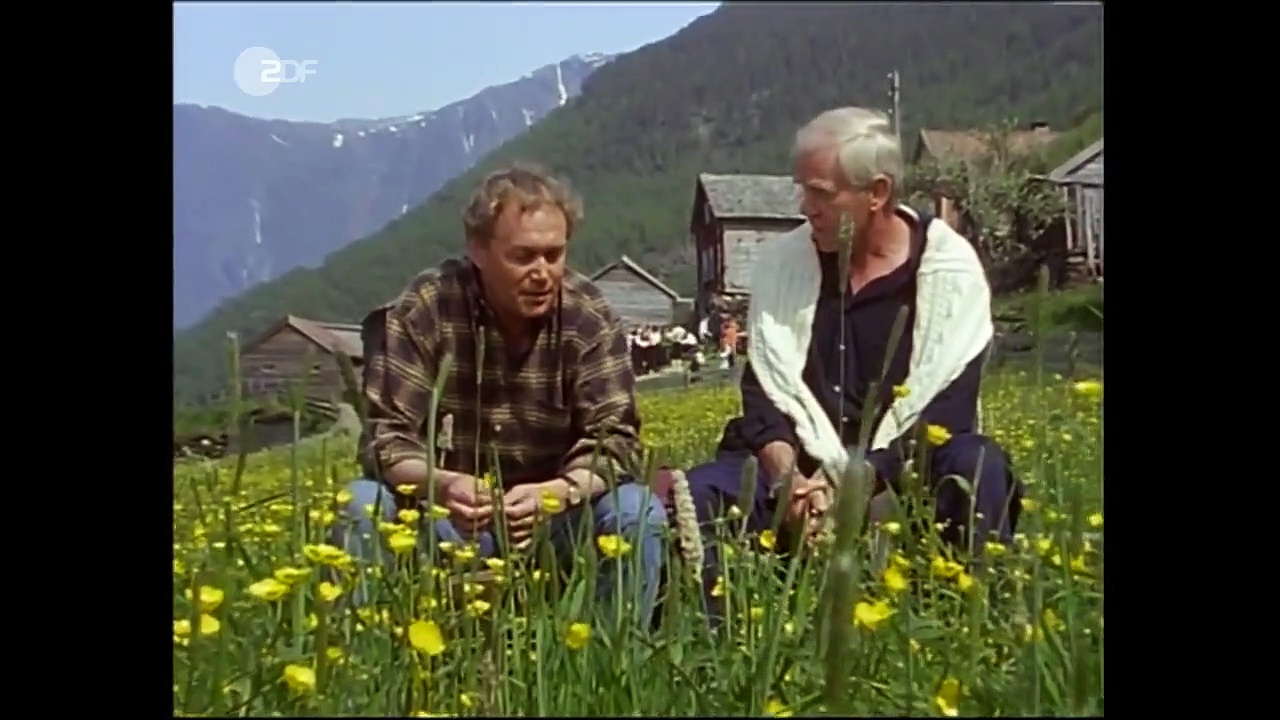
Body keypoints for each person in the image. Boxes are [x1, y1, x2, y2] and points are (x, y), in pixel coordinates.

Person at [678, 107, 1023, 615]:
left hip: (902, 471)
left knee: (978, 465)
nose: (807, 208)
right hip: (799, 471)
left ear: (877, 192)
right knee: (702, 492)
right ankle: (723, 635)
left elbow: (947, 413)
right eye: (803, 191)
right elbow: (764, 393)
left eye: (821, 193)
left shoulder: (948, 272)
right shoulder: (784, 266)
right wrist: (788, 479)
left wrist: (857, 482)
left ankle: (973, 622)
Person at [333, 164, 667, 624]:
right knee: (359, 503)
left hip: (554, 522)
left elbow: (617, 442)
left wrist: (556, 493)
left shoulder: (588, 316)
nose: (542, 273)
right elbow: (386, 439)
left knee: (638, 511)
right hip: (445, 521)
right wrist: (445, 485)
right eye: (523, 257)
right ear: (478, 250)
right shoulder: (429, 307)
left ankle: (613, 653)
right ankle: (360, 654)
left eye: (554, 255)